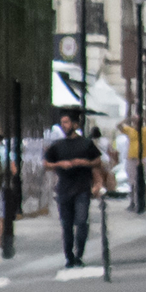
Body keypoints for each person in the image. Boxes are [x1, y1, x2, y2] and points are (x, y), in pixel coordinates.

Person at [45, 111, 101, 267]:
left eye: (67, 122)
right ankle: (69, 257)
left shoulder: (86, 144)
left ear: (75, 125)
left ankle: (79, 254)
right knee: (66, 225)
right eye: (62, 122)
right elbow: (46, 164)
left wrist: (84, 163)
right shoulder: (57, 146)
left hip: (82, 188)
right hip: (64, 189)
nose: (64, 125)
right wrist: (59, 164)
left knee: (82, 222)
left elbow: (97, 162)